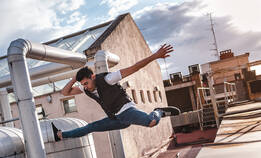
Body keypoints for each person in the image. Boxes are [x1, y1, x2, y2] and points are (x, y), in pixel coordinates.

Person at [52, 44, 180, 141]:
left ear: (93, 77)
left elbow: (134, 68)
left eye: (86, 83)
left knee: (151, 122)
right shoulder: (85, 88)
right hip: (116, 119)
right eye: (82, 84)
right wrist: (75, 77)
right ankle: (60, 135)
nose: (85, 87)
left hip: (127, 111)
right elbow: (65, 93)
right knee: (90, 127)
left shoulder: (108, 79)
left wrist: (156, 56)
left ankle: (159, 111)